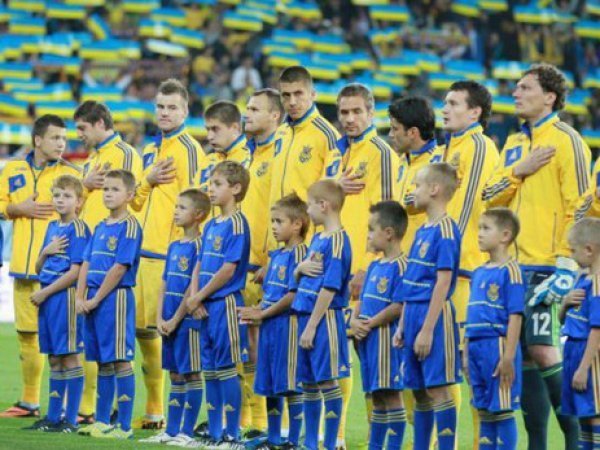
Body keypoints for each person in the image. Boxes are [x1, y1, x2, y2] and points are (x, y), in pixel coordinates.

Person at [483, 63, 591, 450]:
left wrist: (568, 263)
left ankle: (580, 442)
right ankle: (538, 445)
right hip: (512, 267)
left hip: (548, 264)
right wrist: (518, 170)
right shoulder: (513, 143)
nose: (515, 93)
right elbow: (489, 196)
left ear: (549, 97)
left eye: (525, 88)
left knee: (544, 350)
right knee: (525, 356)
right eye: (515, 87)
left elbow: (580, 206)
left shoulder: (568, 140)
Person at [328, 83, 400, 448]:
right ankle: (338, 436)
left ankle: (378, 439)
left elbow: (389, 215)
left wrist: (368, 267)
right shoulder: (335, 153)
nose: (350, 118)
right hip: (331, 269)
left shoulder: (381, 153)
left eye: (357, 111)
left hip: (364, 272)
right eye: (344, 112)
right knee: (335, 355)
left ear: (371, 113)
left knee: (371, 359)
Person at [130, 79, 204, 429]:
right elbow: (135, 201)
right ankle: (155, 411)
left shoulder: (190, 150)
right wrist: (147, 180)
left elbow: (198, 204)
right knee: (144, 334)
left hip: (171, 257)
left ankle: (180, 421)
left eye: (172, 107)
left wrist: (186, 255)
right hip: (142, 254)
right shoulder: (149, 150)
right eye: (160, 106)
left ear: (185, 111)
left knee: (171, 337)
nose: (164, 113)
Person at [0, 115, 81, 419]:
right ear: (37, 140)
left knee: (65, 342)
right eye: (55, 138)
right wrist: (16, 208)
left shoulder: (71, 174)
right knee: (27, 335)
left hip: (59, 273)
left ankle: (79, 408)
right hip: (23, 265)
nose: (62, 144)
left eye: (64, 138)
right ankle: (29, 401)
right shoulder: (12, 169)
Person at [74, 100, 142, 422]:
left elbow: (120, 267)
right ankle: (101, 421)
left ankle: (124, 422)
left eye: (114, 189)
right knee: (102, 359)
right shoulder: (100, 225)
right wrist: (80, 296)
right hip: (92, 295)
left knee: (120, 358)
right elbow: (87, 261)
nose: (107, 193)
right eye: (106, 189)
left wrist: (94, 297)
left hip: (113, 297)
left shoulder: (129, 225)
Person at [441, 80, 500, 446]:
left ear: (475, 112)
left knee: (470, 367)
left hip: (465, 270)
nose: (445, 109)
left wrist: (442, 254)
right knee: (442, 367)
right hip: (448, 269)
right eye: (445, 102)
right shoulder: (453, 146)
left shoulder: (478, 146)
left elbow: (467, 207)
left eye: (453, 103)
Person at [392, 163, 462, 450]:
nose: (413, 191)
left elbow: (442, 283)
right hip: (413, 314)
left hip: (434, 316)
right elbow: (411, 281)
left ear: (434, 189)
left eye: (417, 185)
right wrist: (402, 324)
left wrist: (427, 329)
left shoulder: (446, 230)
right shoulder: (422, 229)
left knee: (438, 389)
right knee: (419, 391)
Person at [186, 161, 251, 449]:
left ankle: (232, 433)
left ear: (235, 189)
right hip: (204, 305)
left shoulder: (237, 223)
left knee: (226, 368)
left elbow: (228, 269)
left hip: (225, 304)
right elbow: (199, 263)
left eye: (217, 184)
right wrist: (195, 297)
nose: (210, 189)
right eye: (210, 183)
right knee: (210, 370)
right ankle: (214, 434)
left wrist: (199, 296)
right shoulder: (212, 224)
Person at [238, 193, 310, 449]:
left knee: (292, 385)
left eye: (279, 221)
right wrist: (255, 309)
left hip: (289, 326)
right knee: (271, 384)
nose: (274, 227)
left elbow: (293, 295)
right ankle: (274, 438)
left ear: (297, 224)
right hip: (270, 326)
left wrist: (262, 314)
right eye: (272, 221)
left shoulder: (301, 254)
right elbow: (272, 294)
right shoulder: (277, 255)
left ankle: (294, 441)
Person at [140, 189, 211, 446]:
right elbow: (164, 283)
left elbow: (192, 288)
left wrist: (176, 319)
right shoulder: (174, 246)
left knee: (191, 374)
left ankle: (187, 432)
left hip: (188, 322)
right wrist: (160, 317)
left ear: (198, 214)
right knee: (175, 375)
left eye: (182, 208)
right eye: (176, 206)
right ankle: (170, 430)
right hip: (168, 320)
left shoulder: (200, 246)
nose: (176, 211)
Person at [24, 175, 90, 432]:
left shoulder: (79, 229)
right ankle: (53, 417)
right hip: (48, 298)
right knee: (54, 357)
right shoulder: (52, 227)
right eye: (57, 195)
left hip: (65, 297)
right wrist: (45, 251)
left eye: (67, 196)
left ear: (79, 202)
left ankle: (71, 420)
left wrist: (45, 293)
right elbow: (38, 267)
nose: (60, 200)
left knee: (70, 355)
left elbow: (76, 272)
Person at [292, 179, 351, 450]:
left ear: (324, 205)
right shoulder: (318, 238)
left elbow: (330, 287)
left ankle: (329, 443)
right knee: (308, 382)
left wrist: (312, 326)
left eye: (310, 204)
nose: (307, 210)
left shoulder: (338, 241)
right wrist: (298, 269)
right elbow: (306, 276)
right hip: (305, 315)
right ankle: (310, 443)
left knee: (327, 380)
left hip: (323, 320)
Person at [239, 88, 285, 435]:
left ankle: (270, 424)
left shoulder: (281, 155)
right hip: (239, 266)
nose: (248, 113)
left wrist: (275, 257)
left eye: (255, 109)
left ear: (274, 116)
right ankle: (247, 421)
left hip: (267, 267)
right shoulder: (246, 156)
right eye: (247, 108)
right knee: (242, 346)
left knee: (269, 349)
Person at [464, 208, 525, 450]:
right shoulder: (478, 272)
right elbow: (471, 316)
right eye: (479, 228)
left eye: (486, 228)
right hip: (476, 347)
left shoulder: (511, 271)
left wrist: (508, 357)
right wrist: (466, 353)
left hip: (497, 346)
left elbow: (515, 316)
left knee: (502, 409)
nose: (479, 233)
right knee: (483, 410)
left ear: (505, 236)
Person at [351, 201, 408, 450]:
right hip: (369, 340)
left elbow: (399, 305)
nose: (368, 235)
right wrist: (354, 321)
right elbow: (361, 301)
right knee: (376, 397)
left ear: (389, 233)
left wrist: (371, 323)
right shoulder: (374, 266)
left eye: (371, 229)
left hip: (387, 339)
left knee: (391, 395)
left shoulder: (401, 266)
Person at [270, 66, 340, 206]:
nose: (292, 102)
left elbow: (331, 192)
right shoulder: (280, 132)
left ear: (313, 94)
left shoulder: (328, 135)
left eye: (298, 94)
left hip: (306, 220)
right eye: (286, 95)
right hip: (275, 219)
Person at [559, 218, 600, 449]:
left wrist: (584, 368)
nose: (571, 256)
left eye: (573, 250)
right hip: (572, 350)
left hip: (590, 357)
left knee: (594, 415)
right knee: (583, 417)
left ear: (589, 250)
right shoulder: (581, 278)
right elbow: (562, 321)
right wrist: (565, 303)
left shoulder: (598, 283)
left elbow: (597, 329)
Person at [388, 96, 443, 255]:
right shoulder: (401, 161)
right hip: (397, 258)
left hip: (422, 257)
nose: (390, 135)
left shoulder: (438, 164)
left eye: (395, 129)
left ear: (412, 132)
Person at [199, 100, 251, 190]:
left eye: (215, 129)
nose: (209, 137)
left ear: (235, 127)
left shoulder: (252, 157)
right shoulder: (207, 161)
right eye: (208, 130)